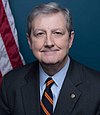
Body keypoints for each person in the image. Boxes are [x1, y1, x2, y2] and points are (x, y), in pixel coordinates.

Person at [0, 2, 100, 115]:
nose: (49, 43)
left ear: (70, 39)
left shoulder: (97, 88)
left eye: (57, 33)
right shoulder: (11, 84)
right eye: (40, 34)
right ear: (29, 41)